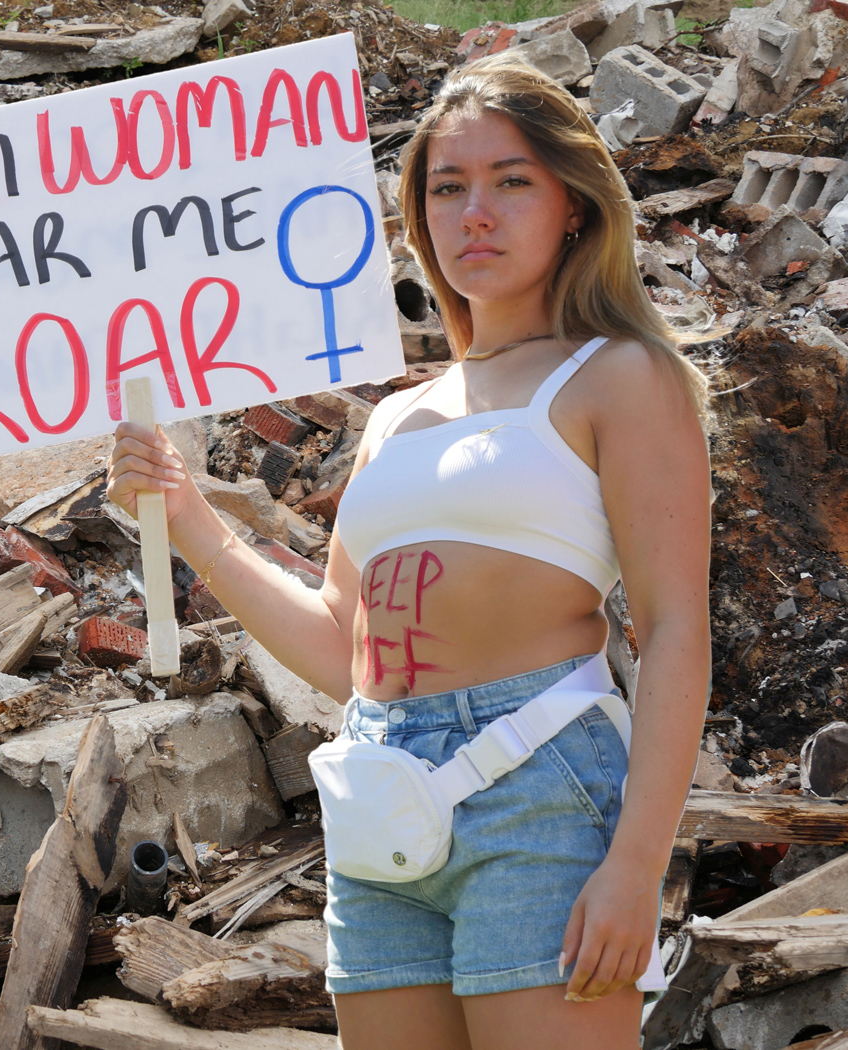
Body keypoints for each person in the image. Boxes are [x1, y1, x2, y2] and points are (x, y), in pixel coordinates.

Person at [106, 54, 711, 1050]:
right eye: (447, 187)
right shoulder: (395, 418)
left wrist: (638, 865)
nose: (475, 212)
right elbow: (343, 650)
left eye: (510, 181)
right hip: (380, 788)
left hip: (538, 780)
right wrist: (189, 516)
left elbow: (676, 628)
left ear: (572, 204)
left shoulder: (618, 376)